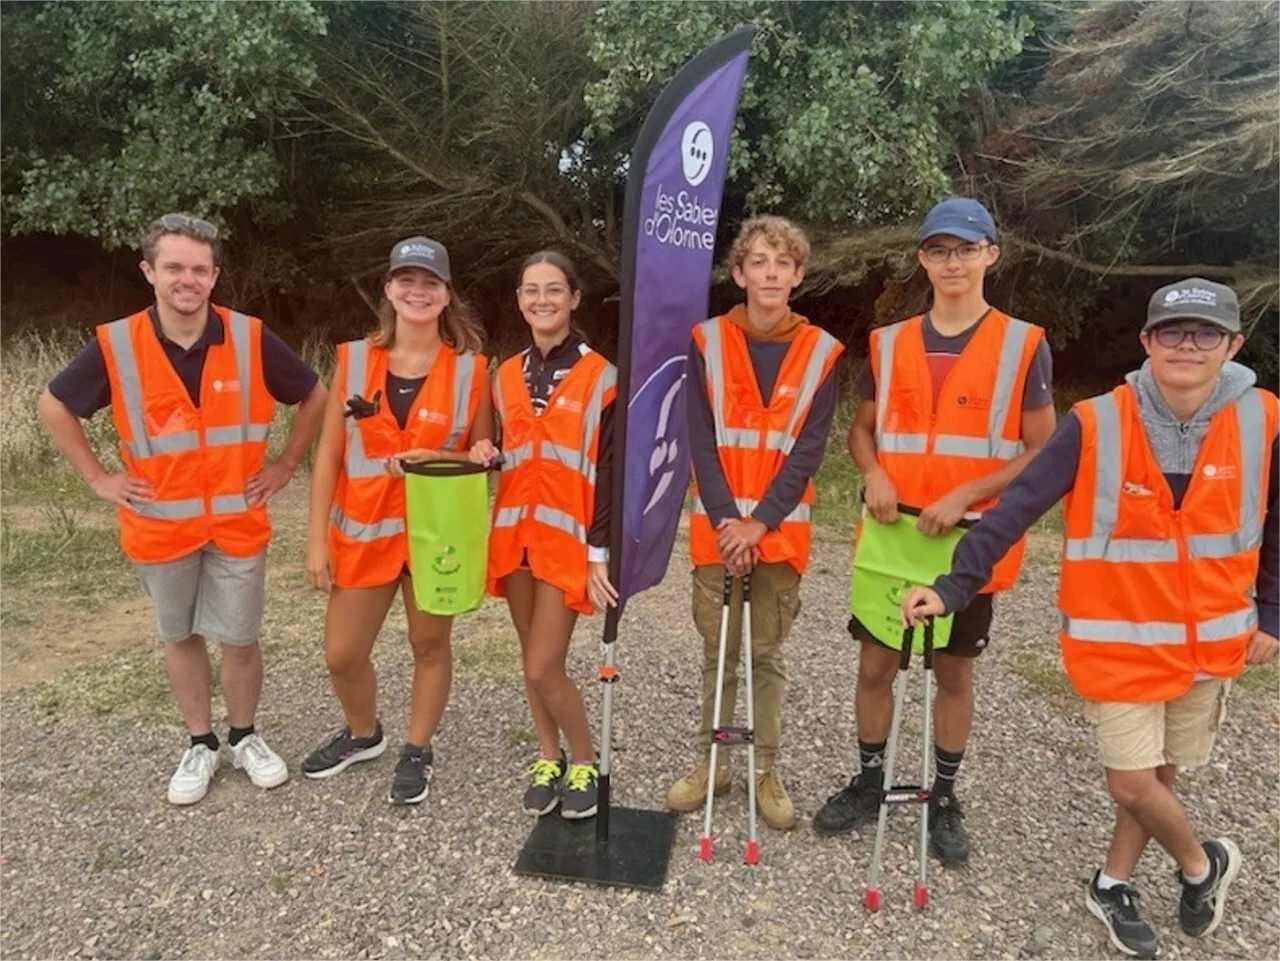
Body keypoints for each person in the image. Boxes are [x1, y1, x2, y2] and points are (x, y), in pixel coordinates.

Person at [903, 277, 1276, 959]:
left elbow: (1275, 525)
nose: (1187, 345)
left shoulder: (1265, 419)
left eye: (1204, 333)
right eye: (1172, 331)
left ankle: (1111, 883)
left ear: (1233, 345)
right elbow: (1016, 506)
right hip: (1121, 642)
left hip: (1211, 641)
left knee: (1158, 776)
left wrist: (1273, 614)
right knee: (1131, 779)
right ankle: (1203, 862)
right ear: (1146, 342)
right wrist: (953, 586)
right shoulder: (1097, 421)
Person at [38, 212, 327, 805]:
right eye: (173, 267)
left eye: (199, 269)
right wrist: (97, 477)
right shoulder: (116, 344)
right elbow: (53, 405)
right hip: (160, 526)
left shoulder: (248, 337)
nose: (186, 279)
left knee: (241, 639)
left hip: (237, 521)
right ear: (149, 272)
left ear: (215, 276)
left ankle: (244, 736)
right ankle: (200, 744)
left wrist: (284, 465)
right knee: (180, 636)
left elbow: (315, 394)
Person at [812, 197, 1058, 862]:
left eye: (966, 248)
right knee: (874, 665)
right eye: (940, 250)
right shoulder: (887, 342)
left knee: (952, 673)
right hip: (891, 530)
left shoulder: (1022, 344)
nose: (953, 262)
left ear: (990, 254)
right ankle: (869, 782)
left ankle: (943, 795)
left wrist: (969, 492)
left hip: (969, 539)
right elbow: (862, 430)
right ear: (922, 258)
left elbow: (1045, 449)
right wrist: (873, 473)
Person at [664, 215, 844, 831]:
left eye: (783, 263)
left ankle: (766, 768)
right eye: (759, 262)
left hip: (779, 534)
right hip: (718, 533)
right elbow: (700, 440)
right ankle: (713, 762)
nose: (770, 273)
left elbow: (809, 451)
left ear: (798, 274)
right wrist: (725, 522)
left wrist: (758, 524)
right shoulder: (707, 341)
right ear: (739, 273)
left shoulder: (823, 352)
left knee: (766, 655)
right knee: (719, 652)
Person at [300, 236, 493, 806]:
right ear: (388, 289)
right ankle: (364, 734)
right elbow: (329, 455)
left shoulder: (471, 370)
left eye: (430, 282)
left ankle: (418, 748)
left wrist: (438, 458)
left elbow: (481, 455)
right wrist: (316, 541)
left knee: (428, 644)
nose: (418, 291)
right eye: (406, 280)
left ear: (445, 294)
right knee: (342, 654)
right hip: (365, 533)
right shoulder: (354, 361)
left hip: (437, 537)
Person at [469, 250, 616, 821]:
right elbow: (502, 449)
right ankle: (547, 755)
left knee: (542, 666)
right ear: (519, 300)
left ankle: (584, 759)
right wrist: (486, 450)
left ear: (575, 298)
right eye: (531, 290)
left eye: (554, 290)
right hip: (515, 540)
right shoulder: (504, 374)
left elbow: (608, 475)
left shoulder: (604, 377)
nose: (542, 300)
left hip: (568, 543)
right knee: (528, 657)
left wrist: (600, 553)